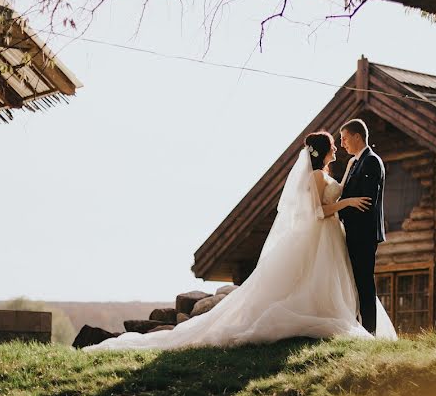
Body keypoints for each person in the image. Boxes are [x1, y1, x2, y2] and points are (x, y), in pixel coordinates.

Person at [84, 131, 396, 351]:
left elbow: (335, 193)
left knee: (335, 279)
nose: (337, 149)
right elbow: (318, 210)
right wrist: (344, 204)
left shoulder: (333, 172)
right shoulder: (315, 176)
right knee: (314, 278)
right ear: (322, 151)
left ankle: (343, 316)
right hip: (323, 232)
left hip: (331, 237)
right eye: (333, 145)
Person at [338, 119, 385, 334]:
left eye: (344, 138)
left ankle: (370, 330)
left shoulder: (371, 161)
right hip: (352, 232)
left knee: (364, 281)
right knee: (355, 280)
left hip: (363, 234)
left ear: (357, 136)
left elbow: (366, 201)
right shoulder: (355, 162)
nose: (342, 144)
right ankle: (358, 327)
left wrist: (336, 211)